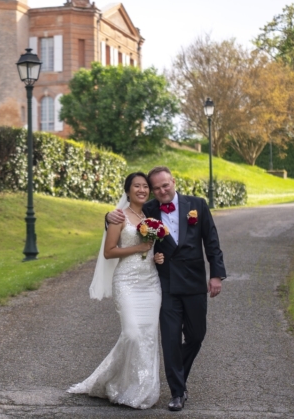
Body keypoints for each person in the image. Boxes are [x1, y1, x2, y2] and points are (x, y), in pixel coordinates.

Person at [106, 166, 226, 411]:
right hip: (166, 283)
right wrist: (107, 217)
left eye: (165, 185)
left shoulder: (198, 205)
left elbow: (211, 242)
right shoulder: (148, 209)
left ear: (173, 181)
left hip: (194, 283)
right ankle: (178, 392)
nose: (161, 191)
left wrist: (216, 275)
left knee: (196, 335)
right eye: (156, 188)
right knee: (170, 339)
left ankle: (176, 372)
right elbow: (125, 219)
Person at [68, 172, 165, 409]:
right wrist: (139, 247)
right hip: (127, 282)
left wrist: (156, 255)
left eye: (145, 186)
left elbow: (153, 247)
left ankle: (142, 388)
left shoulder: (150, 214)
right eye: (136, 186)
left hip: (151, 283)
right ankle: (111, 381)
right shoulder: (118, 216)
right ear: (128, 190)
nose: (141, 190)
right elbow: (109, 251)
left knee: (149, 336)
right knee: (132, 333)